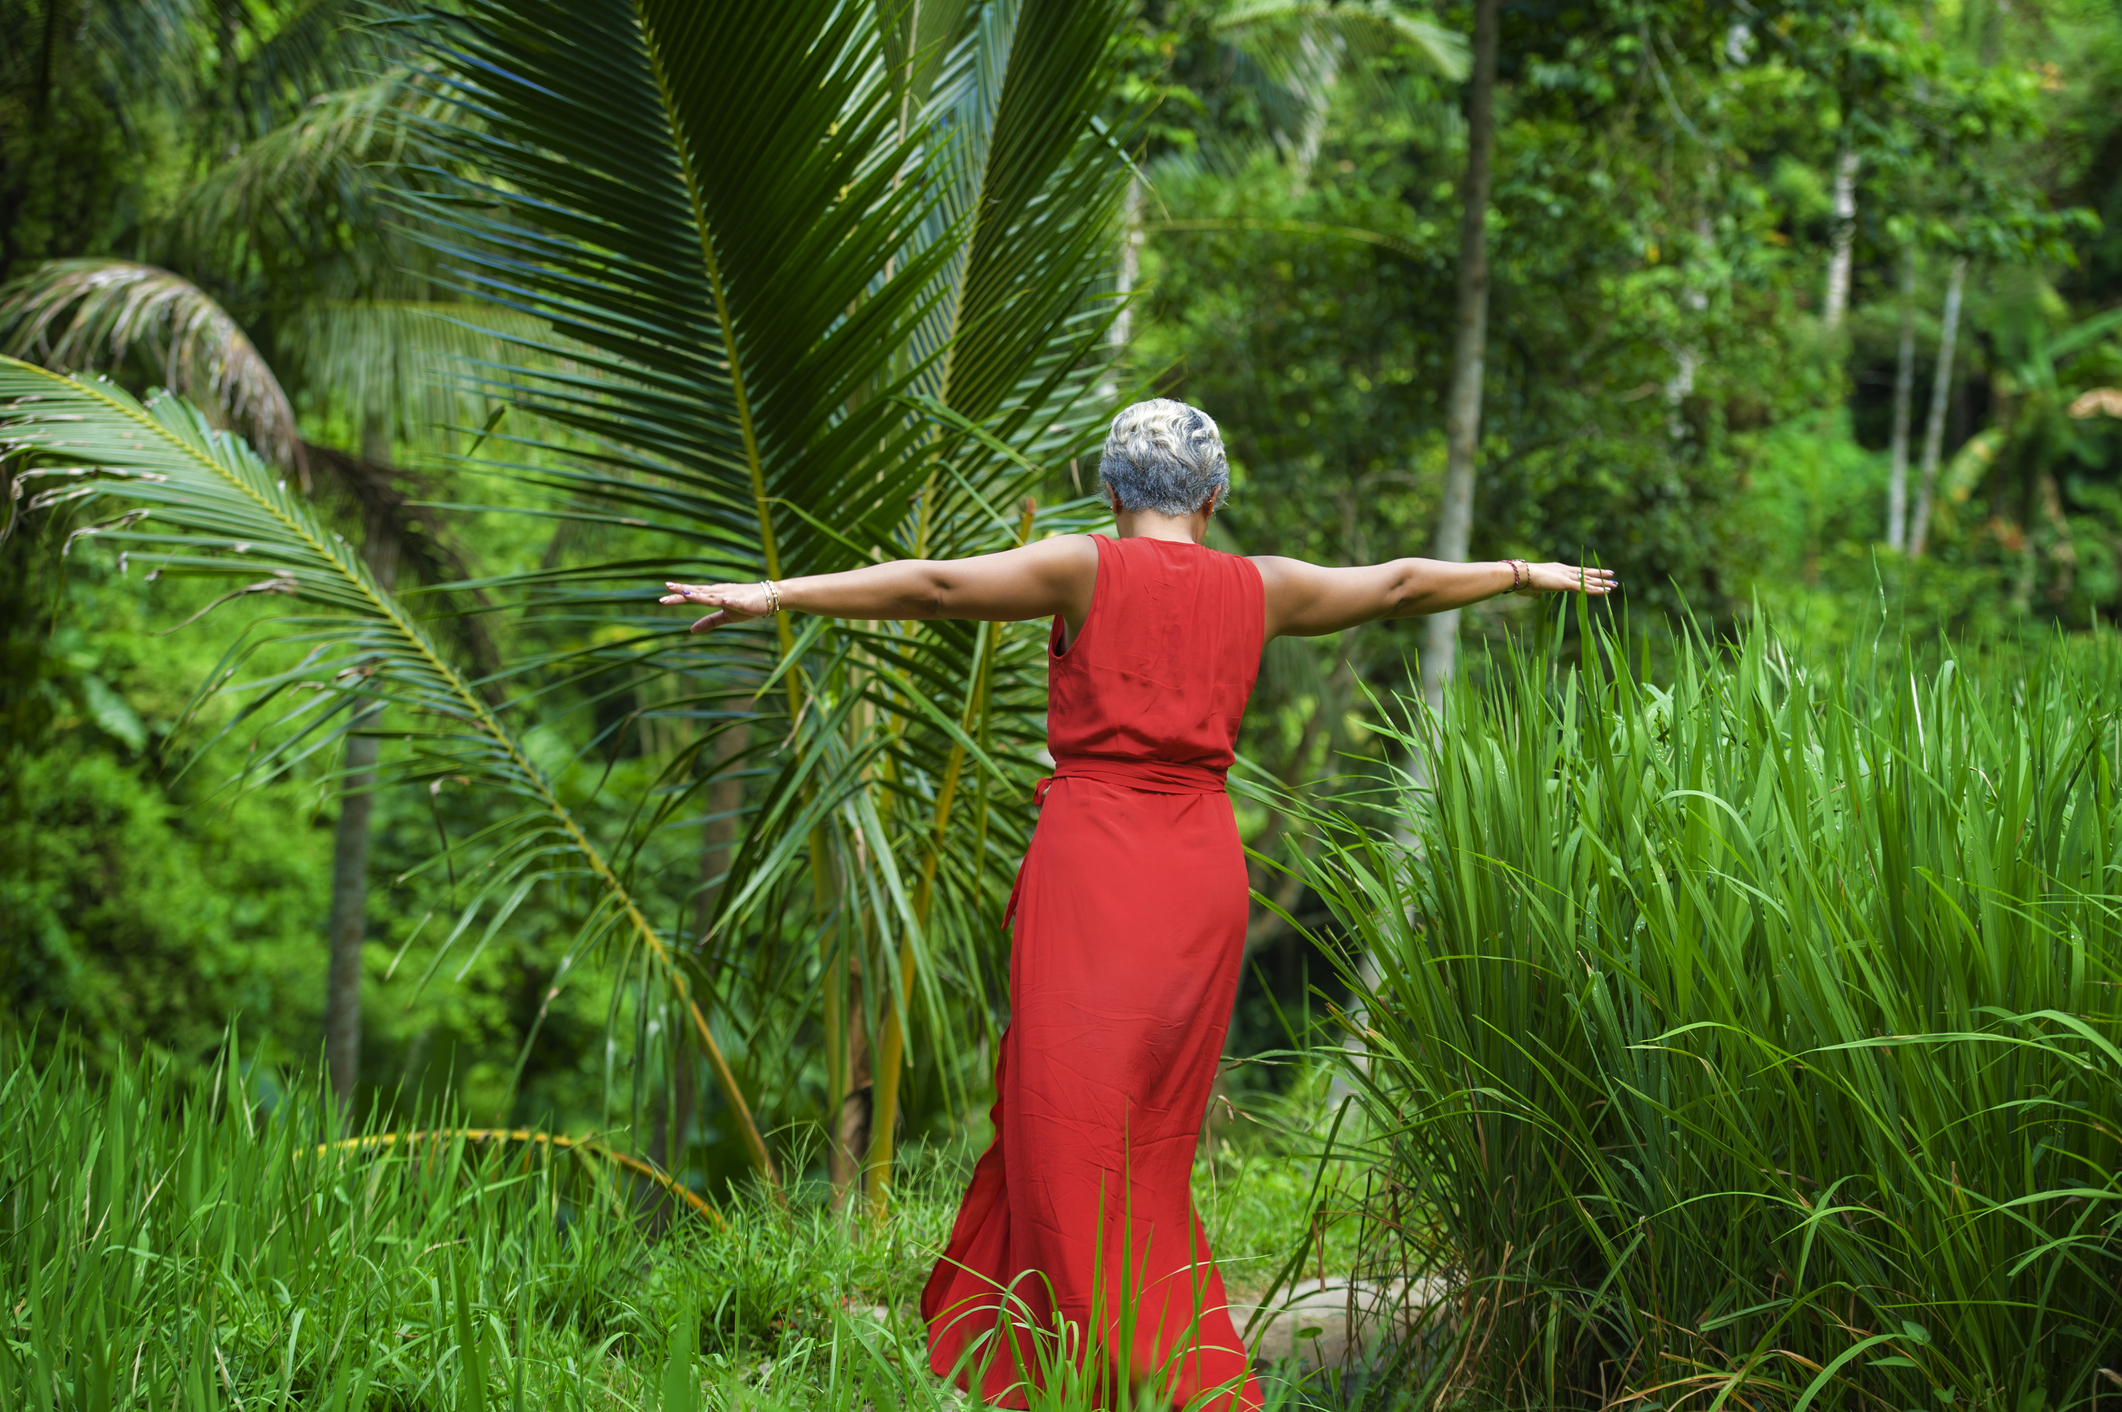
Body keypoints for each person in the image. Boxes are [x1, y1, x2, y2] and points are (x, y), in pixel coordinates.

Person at [661, 398, 1615, 1410]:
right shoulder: (1262, 586)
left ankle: (1140, 1370)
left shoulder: (1082, 565)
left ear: (1110, 490)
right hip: (1199, 870)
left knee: (1063, 1113)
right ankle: (1069, 1359)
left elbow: (937, 585)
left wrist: (775, 593)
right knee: (1139, 1137)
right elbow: (1398, 585)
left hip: (1093, 861)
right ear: (1212, 497)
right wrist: (1523, 572)